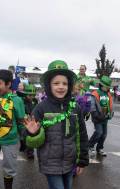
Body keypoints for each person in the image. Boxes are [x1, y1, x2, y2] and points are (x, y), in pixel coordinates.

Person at [24, 60, 89, 189]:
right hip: (50, 163)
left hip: (70, 162)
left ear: (69, 85)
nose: (61, 86)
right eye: (56, 83)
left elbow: (82, 135)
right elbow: (29, 141)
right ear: (49, 85)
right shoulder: (41, 108)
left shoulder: (75, 107)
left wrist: (82, 161)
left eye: (64, 83)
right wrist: (33, 133)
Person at [88, 75, 113, 157]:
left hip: (105, 118)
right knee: (99, 132)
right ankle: (90, 146)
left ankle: (99, 148)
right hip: (97, 117)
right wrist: (95, 114)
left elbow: (110, 105)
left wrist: (111, 113)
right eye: (106, 86)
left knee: (104, 134)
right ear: (101, 85)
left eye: (108, 87)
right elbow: (92, 105)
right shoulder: (95, 94)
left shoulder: (108, 94)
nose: (107, 88)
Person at [19, 84, 38, 159]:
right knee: (23, 137)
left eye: (33, 95)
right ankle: (24, 147)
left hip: (32, 121)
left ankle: (30, 152)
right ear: (26, 94)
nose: (31, 97)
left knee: (30, 136)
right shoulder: (22, 101)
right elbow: (21, 111)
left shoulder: (35, 101)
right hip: (24, 121)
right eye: (30, 95)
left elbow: (37, 110)